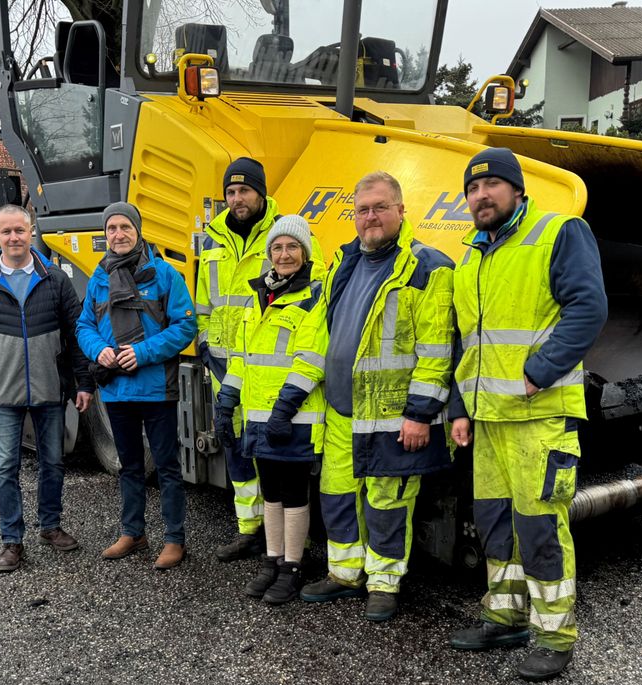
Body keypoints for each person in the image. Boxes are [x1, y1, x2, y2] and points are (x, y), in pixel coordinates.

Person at [447, 147, 608, 681]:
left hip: (540, 415)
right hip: (489, 419)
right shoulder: (472, 257)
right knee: (495, 524)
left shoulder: (558, 232)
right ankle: (506, 616)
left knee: (541, 526)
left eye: (492, 184)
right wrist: (461, 407)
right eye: (472, 188)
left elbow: (588, 306)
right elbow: (467, 343)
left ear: (516, 189)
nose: (481, 195)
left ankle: (554, 636)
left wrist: (541, 369)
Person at [299, 172, 456, 622]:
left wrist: (421, 413)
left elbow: (436, 348)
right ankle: (345, 575)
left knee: (387, 503)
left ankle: (384, 583)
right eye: (363, 209)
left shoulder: (429, 267)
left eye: (380, 207)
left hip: (391, 415)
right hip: (342, 412)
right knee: (338, 494)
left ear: (401, 211)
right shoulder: (344, 263)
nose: (371, 217)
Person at [195, 157, 324, 563]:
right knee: (237, 450)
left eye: (244, 190)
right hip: (228, 366)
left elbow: (314, 287)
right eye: (230, 192)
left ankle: (287, 547)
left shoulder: (286, 232)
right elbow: (204, 301)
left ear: (261, 192)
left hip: (275, 372)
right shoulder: (212, 237)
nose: (237, 199)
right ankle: (250, 531)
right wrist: (204, 345)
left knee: (277, 458)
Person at [0, 204, 95, 571]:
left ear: (31, 231)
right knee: (5, 467)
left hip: (50, 390)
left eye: (20, 230)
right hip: (1, 393)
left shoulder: (55, 278)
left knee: (53, 462)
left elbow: (76, 334)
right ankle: (11, 541)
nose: (14, 237)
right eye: (6, 232)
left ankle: (50, 526)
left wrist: (83, 382)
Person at [76, 202, 197, 570]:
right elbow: (84, 327)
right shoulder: (98, 278)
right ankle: (134, 533)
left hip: (156, 388)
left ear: (138, 231)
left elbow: (185, 327)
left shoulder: (165, 275)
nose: (118, 234)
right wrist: (101, 352)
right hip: (116, 390)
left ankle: (174, 539)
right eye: (111, 228)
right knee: (128, 466)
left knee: (166, 466)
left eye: (125, 227)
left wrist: (141, 352)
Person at [213, 214, 327, 605]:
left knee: (295, 494)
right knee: (271, 493)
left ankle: (293, 566)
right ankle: (272, 559)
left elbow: (311, 359)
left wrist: (284, 409)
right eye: (277, 247)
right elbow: (242, 359)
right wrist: (226, 402)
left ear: (305, 252)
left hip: (293, 417)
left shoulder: (313, 297)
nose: (284, 254)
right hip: (260, 418)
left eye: (292, 247)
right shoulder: (258, 297)